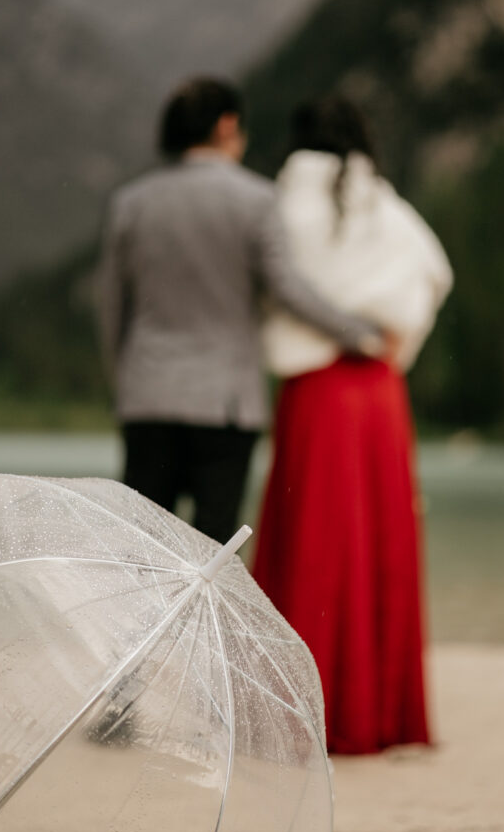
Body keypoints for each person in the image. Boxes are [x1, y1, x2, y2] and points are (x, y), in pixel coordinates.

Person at [98, 78, 386, 544]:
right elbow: (288, 288)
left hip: (147, 396)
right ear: (226, 125)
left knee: (142, 548)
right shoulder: (256, 199)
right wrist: (360, 333)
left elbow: (112, 307)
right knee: (212, 552)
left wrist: (126, 378)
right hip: (224, 404)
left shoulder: (131, 203)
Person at [253, 94, 453, 754]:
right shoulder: (386, 204)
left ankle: (310, 715)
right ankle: (382, 717)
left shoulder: (286, 202)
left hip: (317, 388)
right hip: (379, 391)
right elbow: (436, 274)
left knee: (314, 538)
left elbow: (274, 286)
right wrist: (393, 332)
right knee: (378, 541)